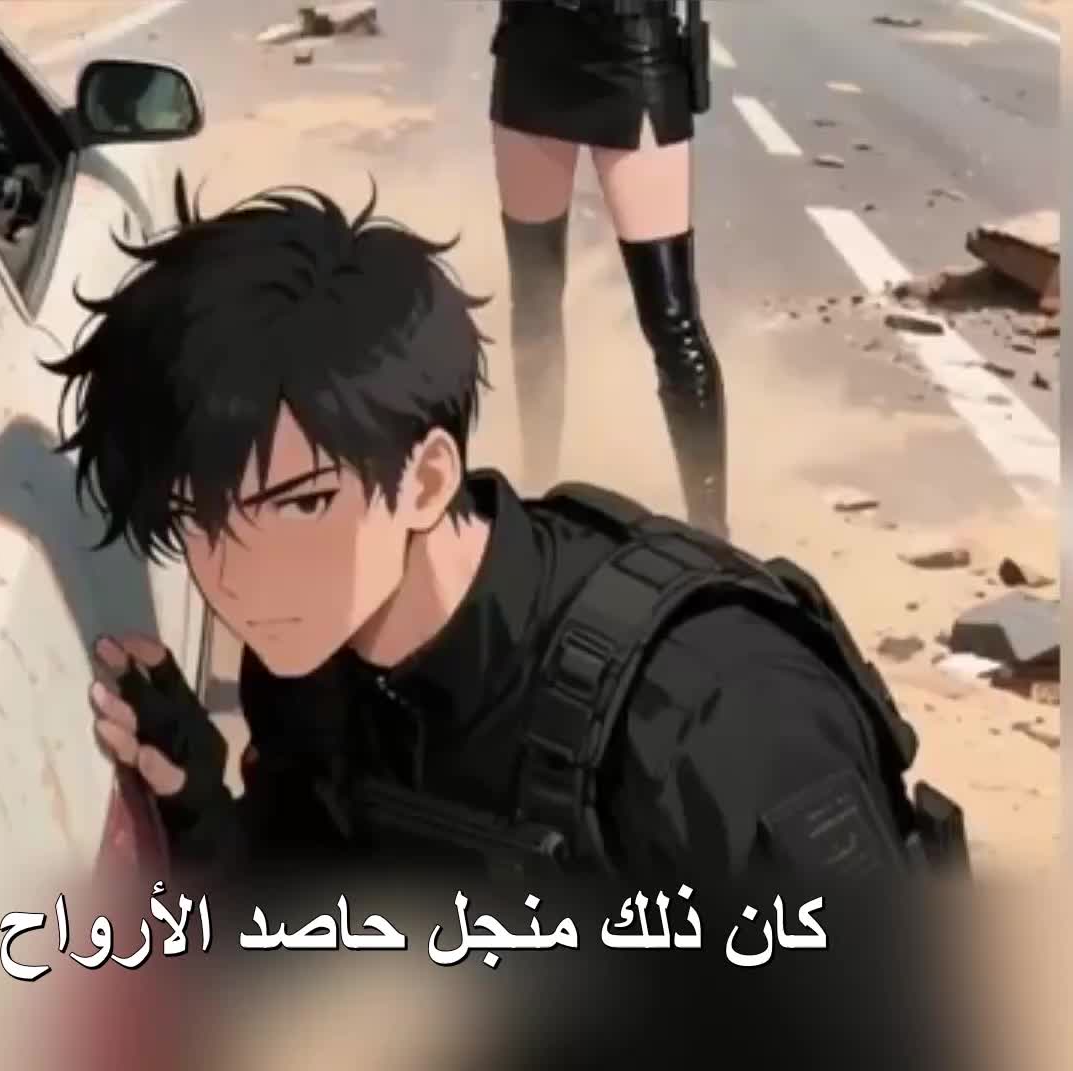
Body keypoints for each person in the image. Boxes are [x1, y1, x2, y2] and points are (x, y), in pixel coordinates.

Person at [47, 180, 949, 885]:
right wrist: (197, 801)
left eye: (301, 505)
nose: (238, 577)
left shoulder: (711, 712)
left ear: (427, 479)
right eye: (199, 521)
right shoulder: (309, 667)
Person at [488, 0, 728, 539]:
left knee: (672, 321)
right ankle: (538, 500)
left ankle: (713, 535)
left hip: (634, 48)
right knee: (534, 302)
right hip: (532, 46)